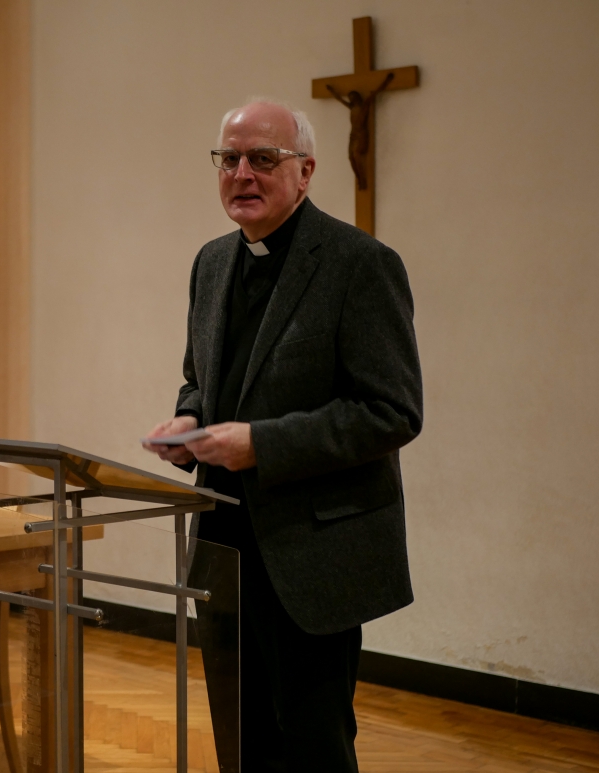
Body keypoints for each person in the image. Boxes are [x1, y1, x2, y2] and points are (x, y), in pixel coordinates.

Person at [143, 100, 423, 772]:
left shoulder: (359, 264)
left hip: (312, 548)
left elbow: (392, 410)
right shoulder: (211, 263)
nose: (243, 173)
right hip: (224, 545)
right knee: (241, 743)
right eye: (230, 159)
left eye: (263, 159)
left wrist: (262, 443)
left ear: (305, 172)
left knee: (313, 746)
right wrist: (189, 420)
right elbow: (200, 380)